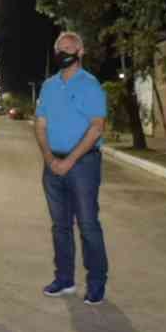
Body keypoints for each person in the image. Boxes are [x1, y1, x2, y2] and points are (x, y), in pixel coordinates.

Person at [33, 31, 109, 304]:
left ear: (80, 52)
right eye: (59, 48)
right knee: (60, 226)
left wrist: (69, 160)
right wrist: (49, 158)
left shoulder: (90, 85)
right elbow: (40, 124)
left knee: (88, 225)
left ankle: (96, 283)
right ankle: (64, 279)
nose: (63, 53)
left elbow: (97, 127)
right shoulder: (49, 86)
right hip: (52, 164)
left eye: (69, 48)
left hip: (83, 165)